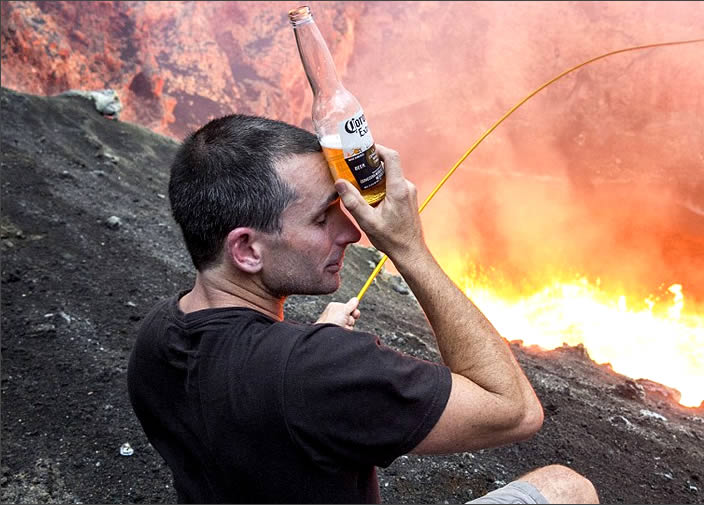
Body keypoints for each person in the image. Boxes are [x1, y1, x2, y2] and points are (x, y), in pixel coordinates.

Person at [127, 114, 599, 504]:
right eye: (322, 216)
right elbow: (513, 410)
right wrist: (409, 249)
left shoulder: (156, 338)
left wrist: (309, 343)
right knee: (566, 488)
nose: (352, 232)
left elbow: (257, 393)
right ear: (247, 250)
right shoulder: (318, 371)